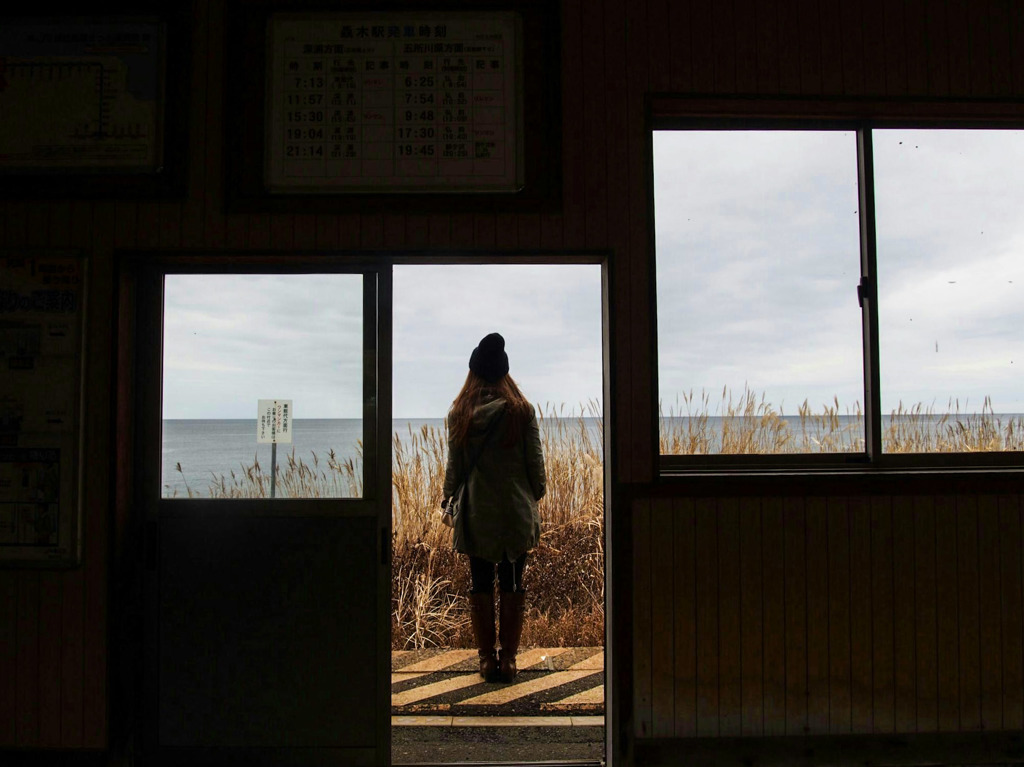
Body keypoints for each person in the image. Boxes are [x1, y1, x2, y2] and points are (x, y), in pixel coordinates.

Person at [443, 332, 546, 683]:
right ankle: (510, 661)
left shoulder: (460, 414)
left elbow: (454, 472)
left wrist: (448, 499)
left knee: (481, 582)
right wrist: (528, 495)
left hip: (476, 514)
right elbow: (538, 474)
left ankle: (486, 661)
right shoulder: (522, 412)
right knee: (513, 582)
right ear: (505, 373)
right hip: (515, 513)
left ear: (473, 372)